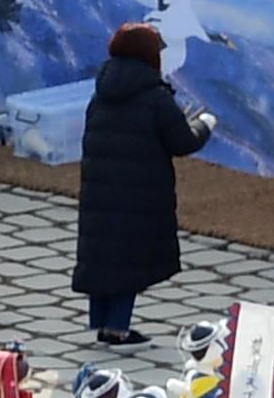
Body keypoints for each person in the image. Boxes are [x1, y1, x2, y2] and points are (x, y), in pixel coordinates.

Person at [75, 23, 216, 348]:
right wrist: (203, 126)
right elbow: (182, 141)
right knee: (129, 262)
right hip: (139, 195)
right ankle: (119, 330)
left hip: (100, 192)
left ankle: (102, 324)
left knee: (102, 257)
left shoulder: (102, 92)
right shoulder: (155, 97)